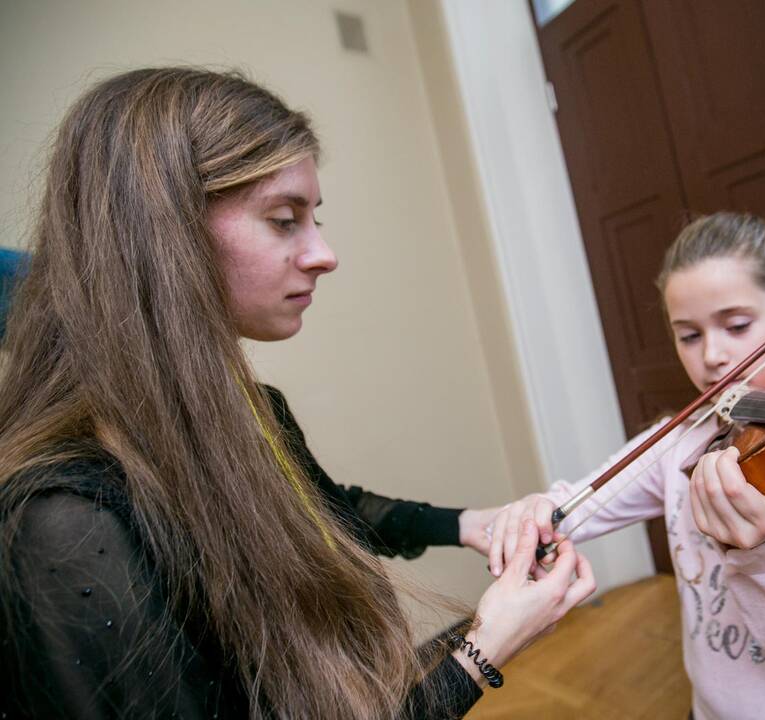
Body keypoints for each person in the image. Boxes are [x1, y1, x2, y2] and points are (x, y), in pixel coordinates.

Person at [0, 67, 594, 719]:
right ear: (165, 234)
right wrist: (485, 649)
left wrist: (471, 525)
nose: (324, 254)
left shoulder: (255, 411)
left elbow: (328, 509)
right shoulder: (69, 524)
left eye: (314, 219)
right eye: (285, 220)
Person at [482, 212, 765, 719]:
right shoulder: (686, 439)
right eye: (688, 336)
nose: (713, 355)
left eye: (736, 326)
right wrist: (534, 511)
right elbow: (579, 503)